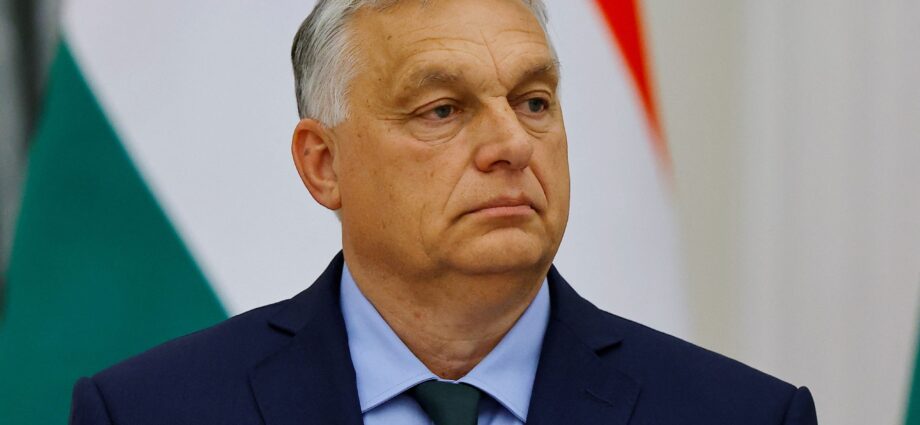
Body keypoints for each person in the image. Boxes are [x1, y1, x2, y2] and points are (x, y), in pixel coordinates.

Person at [69, 0, 818, 424]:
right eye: (442, 110)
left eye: (534, 102)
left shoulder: (743, 417)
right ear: (323, 164)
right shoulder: (148, 413)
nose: (511, 144)